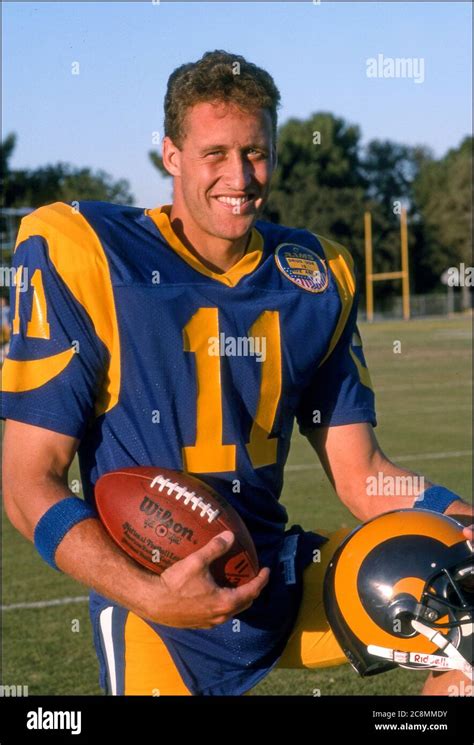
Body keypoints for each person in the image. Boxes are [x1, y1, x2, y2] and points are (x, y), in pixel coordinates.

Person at [2, 50, 472, 697]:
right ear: (170, 154)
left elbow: (365, 475)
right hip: (155, 597)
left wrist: (462, 517)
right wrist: (151, 594)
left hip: (272, 569)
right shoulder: (85, 251)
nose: (240, 175)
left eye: (255, 152)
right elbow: (27, 484)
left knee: (462, 595)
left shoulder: (311, 276)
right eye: (215, 153)